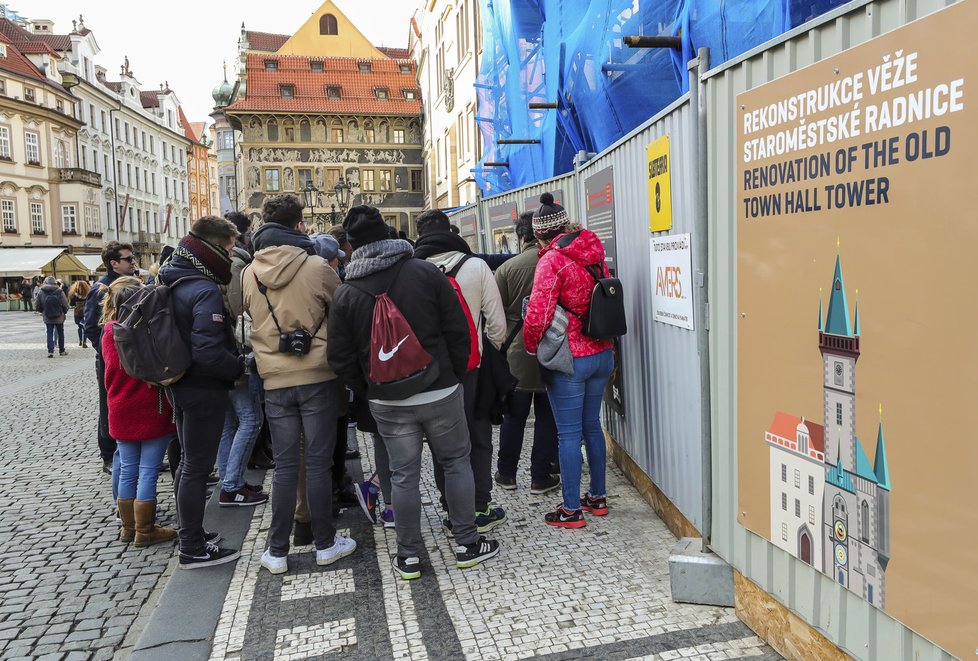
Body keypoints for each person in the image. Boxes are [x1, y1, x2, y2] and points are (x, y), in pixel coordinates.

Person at [328, 204, 499, 581]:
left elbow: (339, 359)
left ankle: (408, 557)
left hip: (387, 400)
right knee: (456, 463)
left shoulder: (346, 293)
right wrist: (451, 375)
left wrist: (370, 387)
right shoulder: (424, 272)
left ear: (352, 246)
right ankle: (468, 544)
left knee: (403, 475)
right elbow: (459, 329)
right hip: (439, 390)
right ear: (389, 236)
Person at [243, 194, 354, 574]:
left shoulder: (249, 273)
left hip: (274, 379)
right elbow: (343, 309)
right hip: (317, 375)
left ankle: (277, 551)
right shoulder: (318, 266)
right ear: (299, 226)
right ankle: (325, 543)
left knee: (286, 465)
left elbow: (246, 314)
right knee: (319, 463)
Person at [523, 193, 615, 529]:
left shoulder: (551, 260)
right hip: (602, 352)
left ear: (540, 235)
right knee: (593, 426)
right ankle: (598, 497)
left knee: (568, 434)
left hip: (570, 359)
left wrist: (533, 348)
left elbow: (538, 315)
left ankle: (571, 509)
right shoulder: (593, 248)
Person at [414, 209, 508, 534]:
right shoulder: (476, 266)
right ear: (450, 231)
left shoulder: (415, 270)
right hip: (473, 370)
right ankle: (480, 505)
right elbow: (497, 326)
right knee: (478, 438)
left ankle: (451, 506)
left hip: (431, 373)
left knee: (445, 445)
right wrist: (483, 349)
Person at [158, 216, 245, 569]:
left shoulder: (174, 275)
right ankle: (192, 547)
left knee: (187, 464)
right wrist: (239, 367)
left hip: (180, 383)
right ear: (216, 244)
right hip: (202, 387)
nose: (230, 253)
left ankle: (190, 531)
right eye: (228, 246)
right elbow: (208, 351)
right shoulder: (204, 287)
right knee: (196, 466)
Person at [100, 276, 178, 547]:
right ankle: (145, 531)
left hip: (119, 408)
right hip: (149, 407)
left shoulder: (109, 330)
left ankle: (127, 528)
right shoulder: (145, 329)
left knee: (129, 470)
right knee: (148, 471)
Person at [494, 212, 560, 494]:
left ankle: (506, 474)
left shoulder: (508, 268)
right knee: (547, 416)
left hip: (516, 355)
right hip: (552, 349)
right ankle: (540, 476)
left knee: (514, 417)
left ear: (522, 237)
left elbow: (494, 315)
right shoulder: (557, 263)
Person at [217, 211, 268, 508]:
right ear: (237, 238)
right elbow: (241, 314)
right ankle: (232, 485)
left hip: (218, 354)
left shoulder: (211, 266)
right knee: (250, 419)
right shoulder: (237, 265)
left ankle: (229, 481)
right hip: (236, 353)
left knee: (229, 424)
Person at [84, 241, 138, 475]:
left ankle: (135, 450)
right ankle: (108, 455)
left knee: (131, 403)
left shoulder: (130, 284)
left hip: (131, 357)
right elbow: (91, 327)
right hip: (110, 360)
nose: (133, 261)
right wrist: (108, 352)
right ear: (114, 263)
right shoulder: (101, 288)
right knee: (109, 406)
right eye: (128, 259)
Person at [36, 276, 69, 358]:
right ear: (55, 282)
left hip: (47, 316)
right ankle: (62, 351)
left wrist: (42, 311)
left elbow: (37, 305)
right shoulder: (59, 291)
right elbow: (65, 304)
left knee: (49, 333)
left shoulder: (41, 291)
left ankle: (50, 351)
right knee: (60, 333)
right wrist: (64, 312)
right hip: (59, 316)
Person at [68, 280, 91, 348]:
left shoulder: (73, 294)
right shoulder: (88, 293)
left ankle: (80, 340)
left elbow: (71, 304)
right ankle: (84, 341)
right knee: (85, 326)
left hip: (77, 311)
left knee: (79, 327)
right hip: (86, 311)